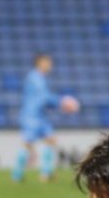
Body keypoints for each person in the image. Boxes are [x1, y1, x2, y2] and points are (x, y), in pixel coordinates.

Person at [12, 54, 80, 184]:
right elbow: (45, 97)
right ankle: (17, 174)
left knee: (50, 140)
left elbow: (45, 99)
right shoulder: (34, 77)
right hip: (31, 116)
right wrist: (63, 102)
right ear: (40, 63)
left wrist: (60, 103)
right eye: (48, 62)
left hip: (41, 116)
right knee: (27, 144)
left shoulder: (41, 78)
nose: (50, 65)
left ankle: (46, 174)